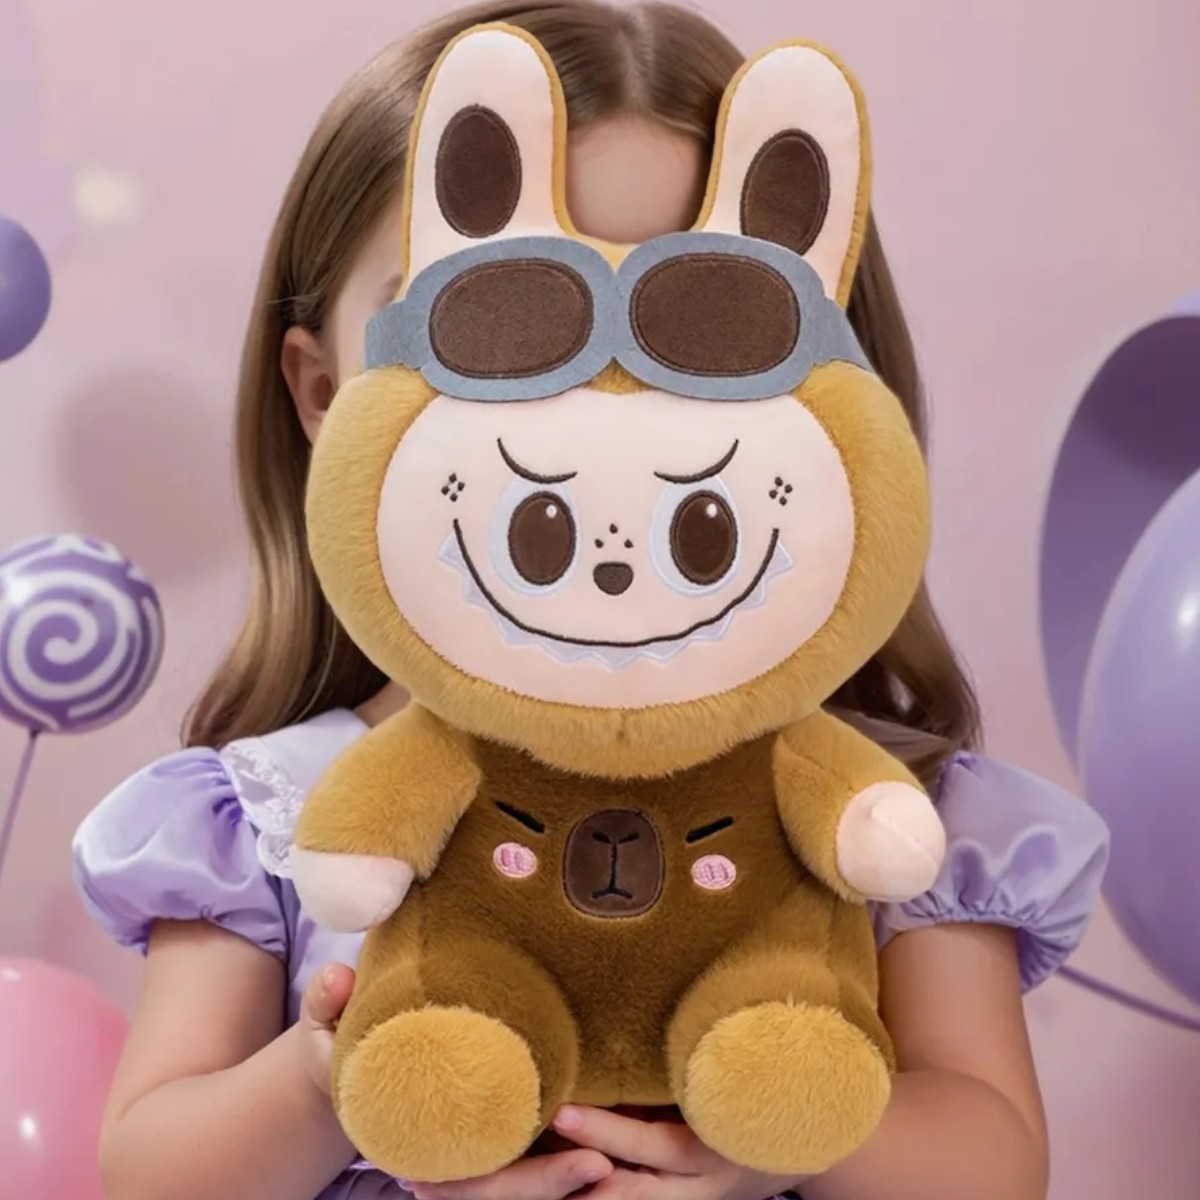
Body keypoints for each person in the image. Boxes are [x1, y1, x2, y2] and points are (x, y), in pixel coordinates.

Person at [72, 3, 1109, 1200]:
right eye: (503, 321)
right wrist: (333, 1076)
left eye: (702, 329)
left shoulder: (883, 814)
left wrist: (779, 1131)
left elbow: (989, 1166)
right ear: (322, 394)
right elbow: (152, 1172)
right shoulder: (273, 817)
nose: (603, 407)